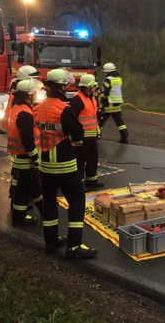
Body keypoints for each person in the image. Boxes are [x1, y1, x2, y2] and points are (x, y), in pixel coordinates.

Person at [33, 68, 98, 259]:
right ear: (62, 87)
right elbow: (79, 134)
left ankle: (51, 242)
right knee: (77, 202)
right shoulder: (64, 110)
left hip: (45, 165)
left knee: (50, 203)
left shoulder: (37, 108)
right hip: (65, 164)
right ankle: (74, 246)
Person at [7, 78, 44, 225]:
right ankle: (19, 218)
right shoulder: (25, 114)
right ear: (29, 95)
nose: (36, 95)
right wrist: (35, 157)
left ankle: (43, 210)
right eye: (34, 93)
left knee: (33, 186)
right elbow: (28, 140)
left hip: (19, 157)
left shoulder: (17, 108)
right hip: (25, 158)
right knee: (24, 190)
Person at [70, 74, 103, 190]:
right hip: (81, 137)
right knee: (80, 161)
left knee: (92, 158)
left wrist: (97, 130)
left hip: (91, 136)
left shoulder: (92, 98)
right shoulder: (77, 100)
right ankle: (78, 184)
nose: (96, 88)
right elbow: (72, 119)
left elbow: (93, 117)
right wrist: (75, 135)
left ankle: (92, 181)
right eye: (94, 86)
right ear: (88, 87)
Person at [98, 62, 129, 144]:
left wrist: (101, 96)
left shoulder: (108, 80)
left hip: (108, 105)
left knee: (100, 121)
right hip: (117, 105)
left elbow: (106, 92)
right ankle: (124, 137)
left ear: (108, 72)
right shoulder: (119, 79)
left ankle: (97, 136)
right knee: (120, 123)